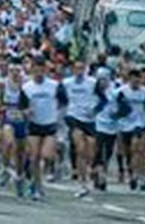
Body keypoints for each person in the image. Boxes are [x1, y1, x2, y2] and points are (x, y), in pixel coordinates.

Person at [21, 55, 66, 201]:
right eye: (36, 69)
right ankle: (36, 184)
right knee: (34, 157)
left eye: (42, 69)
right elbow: (21, 106)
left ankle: (40, 180)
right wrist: (26, 112)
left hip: (50, 124)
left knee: (46, 156)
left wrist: (57, 115)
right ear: (32, 70)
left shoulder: (54, 85)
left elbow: (64, 101)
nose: (39, 72)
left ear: (45, 70)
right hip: (34, 124)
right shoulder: (27, 87)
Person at [62, 58, 99, 198]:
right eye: (76, 68)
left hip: (89, 118)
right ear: (72, 70)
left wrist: (96, 109)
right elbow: (60, 98)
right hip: (73, 116)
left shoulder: (93, 83)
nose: (79, 71)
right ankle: (82, 182)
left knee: (90, 151)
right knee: (80, 148)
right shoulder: (66, 83)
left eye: (81, 68)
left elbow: (103, 99)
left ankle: (88, 173)